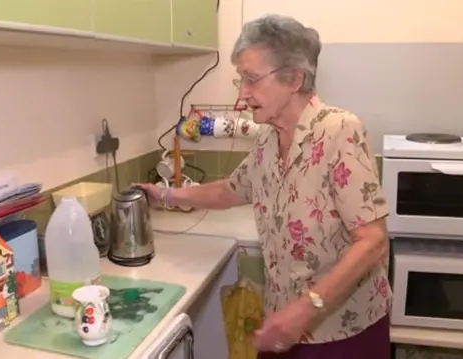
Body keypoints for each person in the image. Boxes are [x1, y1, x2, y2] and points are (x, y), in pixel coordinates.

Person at [139, 14, 392, 359]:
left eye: (252, 80)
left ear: (295, 78)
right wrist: (166, 194)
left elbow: (373, 241)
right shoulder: (267, 139)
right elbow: (230, 190)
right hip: (282, 324)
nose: (242, 95)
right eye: (240, 81)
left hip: (340, 331)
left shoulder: (340, 130)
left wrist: (308, 308)